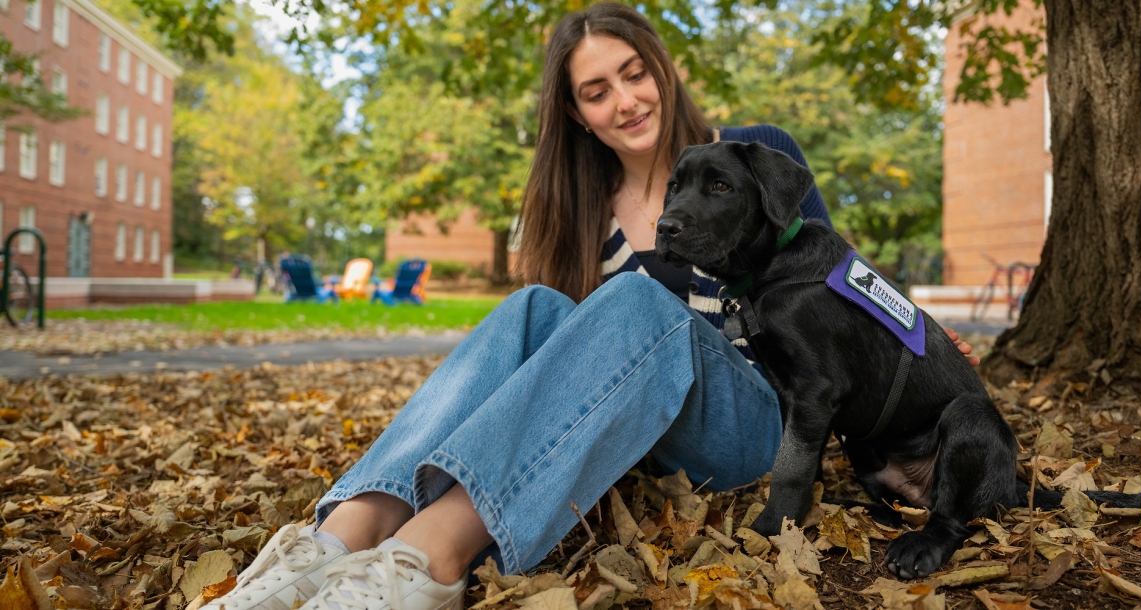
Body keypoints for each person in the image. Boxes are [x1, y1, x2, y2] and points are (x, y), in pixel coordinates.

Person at [205, 4, 976, 610]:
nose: (626, 100)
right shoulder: (582, 214)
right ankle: (340, 541)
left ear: (663, 72)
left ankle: (425, 561)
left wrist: (924, 351)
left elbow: (835, 280)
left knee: (640, 301)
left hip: (758, 424)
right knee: (535, 306)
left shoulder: (754, 152)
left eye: (634, 73)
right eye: (596, 91)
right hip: (652, 433)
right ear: (577, 113)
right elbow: (564, 373)